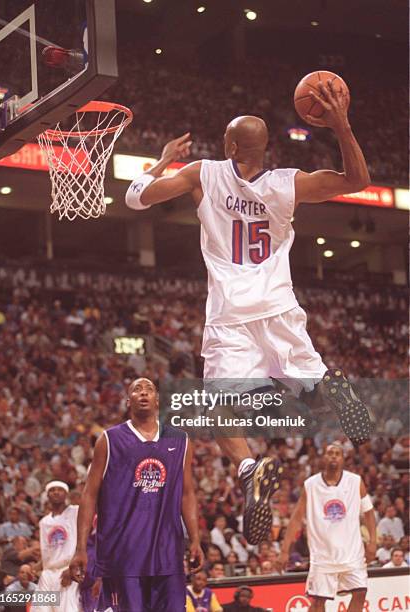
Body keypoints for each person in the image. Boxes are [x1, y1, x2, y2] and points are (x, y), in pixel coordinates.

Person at [125, 80, 373, 544]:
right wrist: (340, 125)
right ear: (264, 149)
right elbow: (358, 181)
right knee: (312, 392)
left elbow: (136, 198)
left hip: (230, 314)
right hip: (279, 305)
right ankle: (333, 388)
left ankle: (247, 468)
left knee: (219, 407)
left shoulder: (202, 173)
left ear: (230, 145)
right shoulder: (288, 183)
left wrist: (159, 160)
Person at [69, 377, 204, 612]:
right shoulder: (109, 439)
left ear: (157, 399)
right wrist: (80, 548)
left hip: (167, 553)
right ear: (127, 401)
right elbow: (89, 495)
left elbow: (187, 494)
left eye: (149, 389)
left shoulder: (179, 439)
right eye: (137, 390)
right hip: (123, 555)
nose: (143, 393)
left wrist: (195, 539)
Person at [279, 443, 376, 611]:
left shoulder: (355, 482)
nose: (333, 456)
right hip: (323, 555)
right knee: (317, 602)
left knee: (360, 593)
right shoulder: (310, 485)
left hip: (352, 554)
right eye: (330, 452)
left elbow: (369, 512)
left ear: (343, 459)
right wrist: (285, 550)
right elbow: (296, 519)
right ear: (323, 457)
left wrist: (373, 542)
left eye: (338, 453)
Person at [31, 481, 80, 612]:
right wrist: (37, 566)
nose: (56, 492)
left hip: (67, 570)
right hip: (47, 574)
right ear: (47, 495)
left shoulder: (75, 512)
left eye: (60, 490)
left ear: (66, 494)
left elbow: (83, 543)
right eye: (52, 490)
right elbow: (49, 551)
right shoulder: (44, 522)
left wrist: (73, 568)